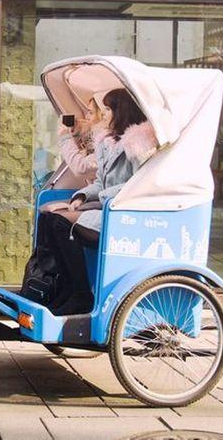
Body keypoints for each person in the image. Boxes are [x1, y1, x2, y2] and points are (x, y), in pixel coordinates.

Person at [32, 88, 156, 316]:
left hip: (122, 214)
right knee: (48, 218)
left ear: (122, 111)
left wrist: (98, 197)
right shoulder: (108, 142)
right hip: (106, 206)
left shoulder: (139, 144)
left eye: (108, 109)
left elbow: (137, 184)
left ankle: (80, 293)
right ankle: (59, 287)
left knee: (60, 223)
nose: (104, 114)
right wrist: (81, 196)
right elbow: (100, 181)